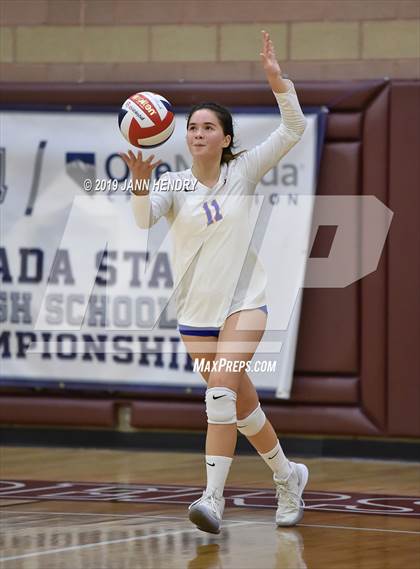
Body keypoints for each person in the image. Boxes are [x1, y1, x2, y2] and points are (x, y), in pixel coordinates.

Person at [120, 30, 308, 535]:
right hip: (195, 314)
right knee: (241, 408)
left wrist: (277, 82)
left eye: (208, 127)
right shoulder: (172, 184)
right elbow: (142, 222)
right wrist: (140, 184)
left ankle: (212, 500)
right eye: (192, 127)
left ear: (225, 138)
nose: (198, 133)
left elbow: (293, 129)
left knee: (220, 395)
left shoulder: (243, 171)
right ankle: (288, 476)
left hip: (246, 302)